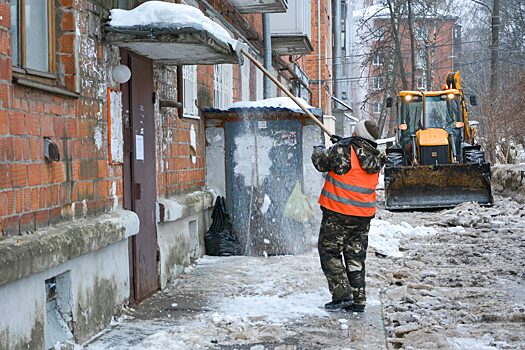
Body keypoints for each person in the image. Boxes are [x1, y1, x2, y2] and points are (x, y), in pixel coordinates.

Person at [311, 120, 385, 312]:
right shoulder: (375, 156)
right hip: (362, 216)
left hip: (338, 214)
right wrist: (341, 143)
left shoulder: (342, 151)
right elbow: (354, 159)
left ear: (357, 133)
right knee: (355, 256)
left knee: (329, 252)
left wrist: (319, 148)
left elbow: (321, 162)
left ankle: (342, 295)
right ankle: (359, 300)